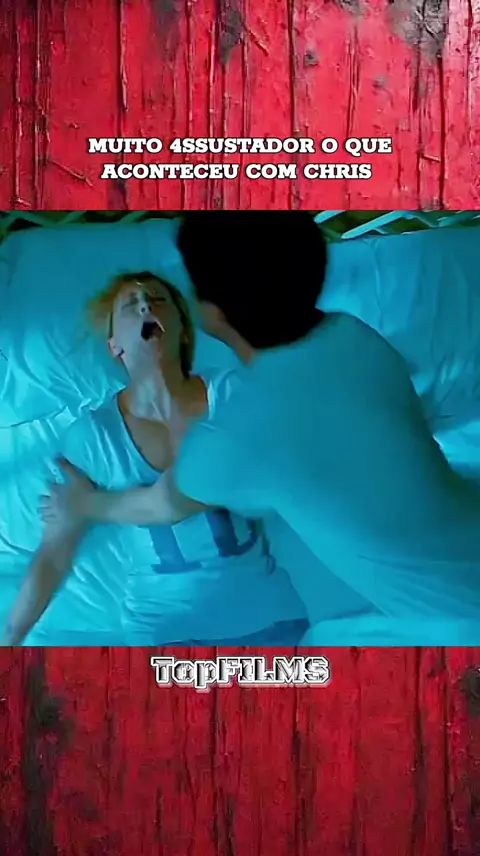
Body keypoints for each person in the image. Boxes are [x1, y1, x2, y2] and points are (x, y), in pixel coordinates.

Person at [36, 214, 480, 644]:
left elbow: (160, 506)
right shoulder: (357, 337)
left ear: (207, 316)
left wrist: (82, 503)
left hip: (450, 624)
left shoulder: (235, 429)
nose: (147, 307)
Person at [3, 271, 310, 646]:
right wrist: (12, 637)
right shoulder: (94, 437)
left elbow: (193, 492)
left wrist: (87, 503)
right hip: (164, 629)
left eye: (158, 299)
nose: (146, 305)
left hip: (268, 616)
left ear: (184, 331)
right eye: (131, 305)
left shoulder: (232, 396)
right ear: (115, 346)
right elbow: (54, 554)